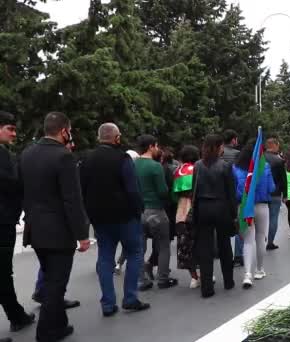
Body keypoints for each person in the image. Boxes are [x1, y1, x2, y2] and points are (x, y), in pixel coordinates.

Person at [20, 112, 91, 342]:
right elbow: (72, 199)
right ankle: (47, 333)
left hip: (35, 228)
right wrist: (82, 235)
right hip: (58, 232)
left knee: (51, 277)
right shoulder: (63, 157)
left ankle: (59, 325)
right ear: (64, 131)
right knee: (56, 284)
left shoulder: (27, 153)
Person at [79, 123, 149, 317]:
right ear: (116, 137)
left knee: (105, 257)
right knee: (135, 252)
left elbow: (81, 189)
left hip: (100, 218)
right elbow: (132, 189)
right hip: (125, 216)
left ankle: (108, 303)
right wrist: (138, 210)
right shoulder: (122, 158)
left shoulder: (86, 159)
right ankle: (130, 298)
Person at [0, 111, 35, 341]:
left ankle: (17, 315)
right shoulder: (2, 154)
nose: (14, 133)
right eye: (9, 128)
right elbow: (11, 182)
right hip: (2, 220)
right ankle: (17, 316)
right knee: (3, 273)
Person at [192, 135, 236, 297]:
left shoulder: (197, 165)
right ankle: (229, 281)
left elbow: (194, 192)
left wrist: (194, 212)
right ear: (218, 147)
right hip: (221, 207)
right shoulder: (225, 166)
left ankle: (207, 287)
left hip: (203, 207)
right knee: (225, 245)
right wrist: (233, 214)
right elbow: (231, 193)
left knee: (205, 249)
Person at [133, 135, 177, 290]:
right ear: (151, 146)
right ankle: (163, 278)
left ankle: (141, 279)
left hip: (138, 211)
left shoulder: (133, 164)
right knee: (163, 244)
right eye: (156, 146)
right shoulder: (155, 166)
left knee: (139, 247)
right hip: (156, 210)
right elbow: (162, 191)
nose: (158, 149)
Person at [233, 142, 275, 288]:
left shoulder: (236, 168)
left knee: (248, 241)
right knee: (261, 237)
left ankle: (247, 274)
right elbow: (272, 187)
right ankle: (259, 269)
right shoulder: (265, 167)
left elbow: (234, 190)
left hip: (244, 207)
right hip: (262, 206)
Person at [173, 145, 201, 289]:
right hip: (197, 208)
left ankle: (194, 277)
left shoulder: (178, 171)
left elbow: (174, 195)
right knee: (201, 242)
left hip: (181, 211)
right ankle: (205, 272)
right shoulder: (198, 169)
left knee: (185, 245)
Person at [221, 130, 243, 267]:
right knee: (237, 225)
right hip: (234, 194)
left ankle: (222, 252)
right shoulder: (237, 154)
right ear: (234, 140)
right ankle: (238, 256)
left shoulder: (220, 153)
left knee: (222, 226)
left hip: (219, 194)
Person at [264, 138, 286, 250]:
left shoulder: (260, 158)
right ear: (275, 146)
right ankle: (270, 242)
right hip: (275, 193)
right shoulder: (279, 160)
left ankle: (260, 238)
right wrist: (285, 194)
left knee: (261, 217)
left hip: (262, 193)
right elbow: (283, 179)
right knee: (273, 218)